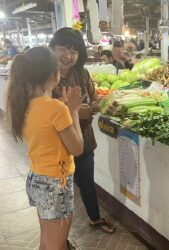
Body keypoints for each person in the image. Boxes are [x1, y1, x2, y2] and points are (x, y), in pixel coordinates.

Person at [5, 46, 84, 250]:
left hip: (37, 180)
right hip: (56, 184)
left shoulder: (22, 104)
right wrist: (73, 111)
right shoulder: (56, 108)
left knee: (47, 241)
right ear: (54, 75)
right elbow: (77, 148)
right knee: (56, 245)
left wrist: (67, 110)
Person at [49, 28, 116, 234]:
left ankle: (95, 218)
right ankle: (59, 239)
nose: (68, 56)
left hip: (84, 139)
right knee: (59, 192)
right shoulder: (45, 76)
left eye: (74, 51)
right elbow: (45, 112)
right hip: (56, 145)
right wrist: (76, 113)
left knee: (86, 181)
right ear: (52, 48)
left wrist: (97, 106)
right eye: (63, 49)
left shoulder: (82, 73)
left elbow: (94, 99)